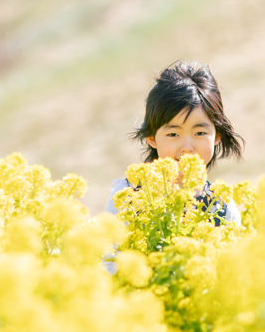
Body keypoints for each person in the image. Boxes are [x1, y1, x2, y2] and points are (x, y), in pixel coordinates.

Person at [105, 60, 245, 226]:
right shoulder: (127, 198)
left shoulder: (223, 208)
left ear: (217, 137)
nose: (187, 147)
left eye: (200, 133)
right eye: (173, 134)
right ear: (151, 138)